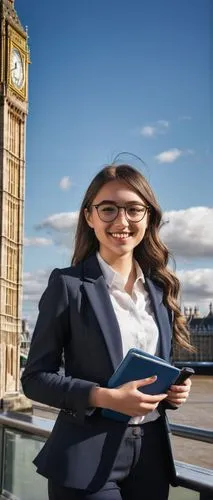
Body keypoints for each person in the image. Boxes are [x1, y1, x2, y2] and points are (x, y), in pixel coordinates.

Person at [21, 161, 193, 500]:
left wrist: (173, 394)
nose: (121, 221)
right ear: (89, 216)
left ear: (148, 217)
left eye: (133, 209)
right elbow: (35, 378)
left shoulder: (161, 290)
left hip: (151, 455)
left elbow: (155, 373)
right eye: (108, 209)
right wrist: (105, 397)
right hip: (86, 456)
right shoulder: (68, 286)